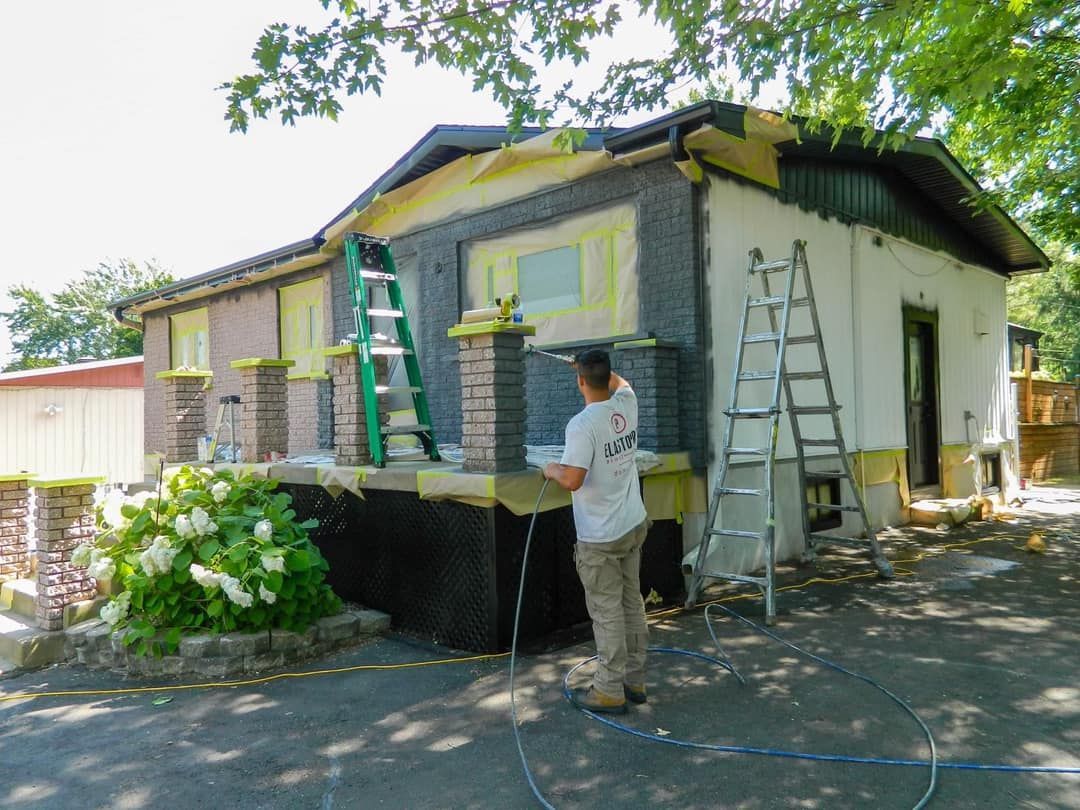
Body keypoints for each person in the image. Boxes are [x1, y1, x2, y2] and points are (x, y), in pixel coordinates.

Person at [543, 348, 650, 714]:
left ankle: (608, 689)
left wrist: (550, 469)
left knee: (607, 611)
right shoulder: (626, 403)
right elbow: (624, 383)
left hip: (601, 537)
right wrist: (595, 369)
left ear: (580, 381)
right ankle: (634, 680)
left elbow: (573, 479)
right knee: (631, 601)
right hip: (632, 524)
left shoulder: (582, 424)